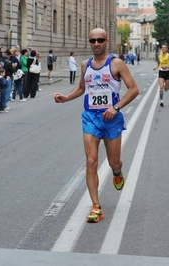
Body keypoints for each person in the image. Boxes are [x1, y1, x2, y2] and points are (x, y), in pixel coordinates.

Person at [53, 28, 139, 223]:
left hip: (111, 118)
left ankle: (117, 172)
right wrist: (66, 98)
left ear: (107, 41)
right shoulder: (85, 64)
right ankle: (96, 206)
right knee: (91, 161)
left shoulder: (116, 64)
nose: (96, 43)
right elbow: (82, 88)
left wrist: (116, 107)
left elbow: (134, 89)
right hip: (90, 117)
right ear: (89, 42)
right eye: (93, 40)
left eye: (100, 40)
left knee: (113, 162)